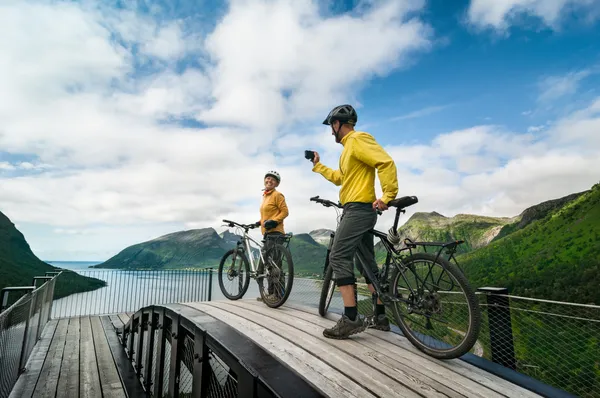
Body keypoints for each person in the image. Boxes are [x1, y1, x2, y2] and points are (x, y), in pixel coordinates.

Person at [309, 104, 398, 339]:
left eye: (331, 126)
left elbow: (385, 162)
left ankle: (350, 318)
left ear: (338, 124)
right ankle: (380, 317)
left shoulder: (358, 140)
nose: (331, 132)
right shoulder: (348, 150)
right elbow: (341, 179)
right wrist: (318, 166)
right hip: (356, 209)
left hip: (358, 210)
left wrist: (388, 195)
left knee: (338, 256)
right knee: (367, 264)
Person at [256, 170, 289, 301]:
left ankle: (278, 295)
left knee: (275, 265)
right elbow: (266, 215)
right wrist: (259, 222)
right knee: (268, 265)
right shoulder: (265, 196)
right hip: (267, 233)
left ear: (277, 183)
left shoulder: (277, 195)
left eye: (272, 180)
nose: (269, 181)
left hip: (276, 233)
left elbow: (285, 212)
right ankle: (270, 294)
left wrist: (274, 221)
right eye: (267, 178)